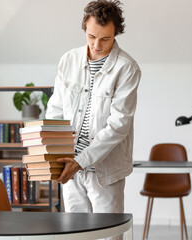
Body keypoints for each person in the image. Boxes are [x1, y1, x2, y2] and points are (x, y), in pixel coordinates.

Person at [45, 0, 141, 218]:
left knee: (107, 233)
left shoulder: (127, 68)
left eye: (105, 38)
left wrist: (81, 161)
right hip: (69, 168)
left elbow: (119, 125)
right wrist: (55, 156)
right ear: (84, 29)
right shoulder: (68, 60)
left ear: (116, 33)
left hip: (105, 171)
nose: (97, 45)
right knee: (75, 232)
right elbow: (55, 112)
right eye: (91, 36)